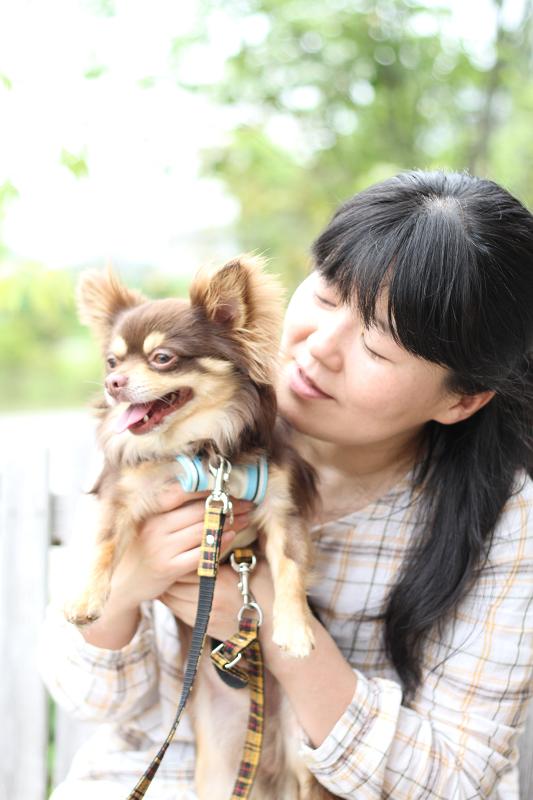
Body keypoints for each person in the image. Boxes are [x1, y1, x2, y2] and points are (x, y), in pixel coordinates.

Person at [39, 170, 533, 799]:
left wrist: (269, 614)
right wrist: (129, 584)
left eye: (378, 347)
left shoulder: (508, 521)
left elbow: (455, 780)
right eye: (326, 296)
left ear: (461, 399)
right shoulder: (174, 426)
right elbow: (91, 697)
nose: (319, 348)